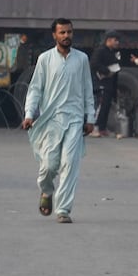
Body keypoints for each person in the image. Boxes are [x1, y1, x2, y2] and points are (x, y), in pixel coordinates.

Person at [21, 18, 94, 224]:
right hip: (51, 120)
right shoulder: (45, 59)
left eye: (69, 32)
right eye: (62, 33)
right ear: (54, 35)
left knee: (70, 164)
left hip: (75, 119)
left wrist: (91, 117)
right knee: (49, 166)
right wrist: (29, 114)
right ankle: (46, 190)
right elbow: (35, 88)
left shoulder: (81, 59)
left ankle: (63, 210)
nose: (66, 36)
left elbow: (88, 89)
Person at [88, 30, 122, 138]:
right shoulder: (100, 51)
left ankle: (102, 128)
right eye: (116, 40)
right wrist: (106, 71)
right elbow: (94, 64)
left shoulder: (113, 53)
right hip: (101, 82)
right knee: (101, 106)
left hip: (110, 84)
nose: (117, 43)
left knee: (107, 106)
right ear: (109, 40)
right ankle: (94, 128)